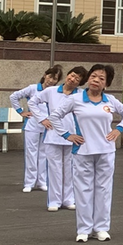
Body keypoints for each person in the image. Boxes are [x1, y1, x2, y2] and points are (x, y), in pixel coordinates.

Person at [49, 64, 123, 242]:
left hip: (106, 151)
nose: (96, 80)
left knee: (104, 190)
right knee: (83, 190)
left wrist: (118, 129)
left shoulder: (110, 100)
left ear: (106, 84)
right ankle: (84, 229)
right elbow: (55, 116)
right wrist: (67, 135)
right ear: (88, 79)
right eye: (93, 76)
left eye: (101, 78)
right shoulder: (75, 99)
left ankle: (101, 228)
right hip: (83, 151)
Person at [28, 66, 88, 212]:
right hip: (53, 136)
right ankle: (54, 201)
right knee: (54, 170)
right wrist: (42, 119)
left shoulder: (81, 94)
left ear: (80, 83)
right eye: (72, 75)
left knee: (70, 170)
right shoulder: (51, 91)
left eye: (77, 79)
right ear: (67, 75)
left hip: (73, 137)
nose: (72, 79)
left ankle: (68, 199)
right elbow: (32, 102)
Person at [10, 65, 62, 193]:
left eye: (55, 79)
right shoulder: (33, 88)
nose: (51, 80)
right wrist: (21, 111)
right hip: (32, 125)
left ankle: (42, 181)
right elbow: (14, 96)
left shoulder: (55, 91)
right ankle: (29, 182)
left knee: (44, 154)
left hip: (48, 126)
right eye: (50, 77)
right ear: (45, 75)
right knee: (31, 154)